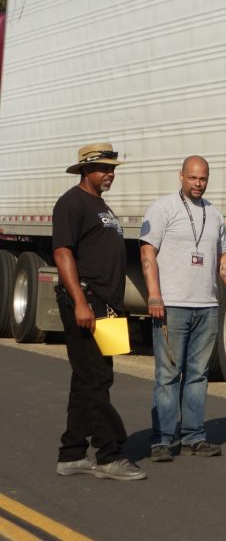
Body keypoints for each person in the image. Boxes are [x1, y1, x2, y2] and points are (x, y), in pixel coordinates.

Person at [140, 155, 226, 462]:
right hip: (172, 305)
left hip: (207, 307)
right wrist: (154, 295)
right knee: (168, 375)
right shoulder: (163, 209)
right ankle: (161, 440)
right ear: (181, 176)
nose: (198, 184)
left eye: (203, 179)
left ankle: (193, 437)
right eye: (193, 178)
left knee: (198, 375)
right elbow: (147, 252)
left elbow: (223, 259)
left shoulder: (214, 214)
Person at [52, 143, 147, 481]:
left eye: (113, 169)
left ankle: (72, 453)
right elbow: (63, 253)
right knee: (96, 379)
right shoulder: (71, 203)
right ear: (85, 171)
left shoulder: (100, 205)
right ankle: (110, 455)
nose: (110, 174)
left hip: (107, 306)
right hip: (86, 302)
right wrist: (79, 300)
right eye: (104, 168)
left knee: (88, 379)